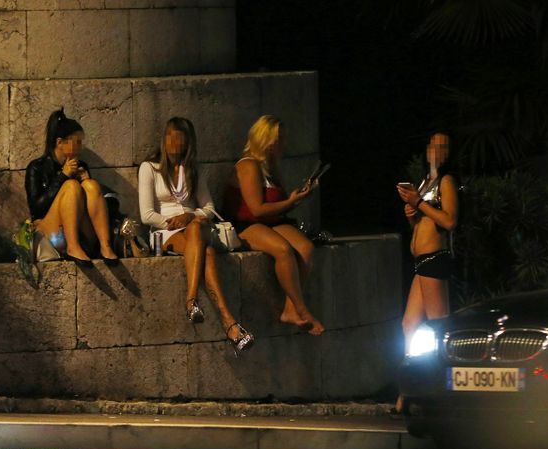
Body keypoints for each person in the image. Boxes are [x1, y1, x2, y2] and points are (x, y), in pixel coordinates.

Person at [138, 117, 254, 354]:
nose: (174, 142)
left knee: (195, 232)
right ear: (164, 138)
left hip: (194, 228)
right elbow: (147, 214)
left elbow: (210, 208)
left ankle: (191, 301)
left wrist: (190, 216)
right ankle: (228, 322)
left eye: (180, 137)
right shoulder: (149, 168)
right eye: (170, 135)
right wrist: (173, 222)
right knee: (207, 252)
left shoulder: (192, 170)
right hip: (164, 231)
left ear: (188, 142)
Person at [223, 115, 324, 335]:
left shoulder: (270, 167)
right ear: (268, 140)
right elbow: (256, 209)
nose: (283, 145)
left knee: (306, 248)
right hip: (245, 223)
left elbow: (279, 204)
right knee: (283, 250)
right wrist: (289, 201)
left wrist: (295, 199)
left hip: (271, 221)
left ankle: (289, 308)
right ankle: (302, 308)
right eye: (280, 139)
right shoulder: (249, 165)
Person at [24, 109, 119, 266]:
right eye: (77, 142)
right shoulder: (37, 167)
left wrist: (86, 181)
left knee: (91, 185)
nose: (80, 148)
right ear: (60, 142)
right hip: (53, 235)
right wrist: (63, 176)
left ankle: (105, 246)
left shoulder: (82, 166)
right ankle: (72, 247)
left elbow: (95, 207)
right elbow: (36, 209)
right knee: (71, 186)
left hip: (83, 232)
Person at [396, 131, 460, 348]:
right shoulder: (424, 183)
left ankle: (447, 374)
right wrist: (412, 216)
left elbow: (450, 221)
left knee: (439, 325)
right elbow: (422, 226)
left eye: (443, 147)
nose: (437, 151)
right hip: (421, 261)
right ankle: (413, 373)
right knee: (409, 324)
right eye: (433, 145)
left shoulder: (446, 181)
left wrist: (419, 204)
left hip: (435, 259)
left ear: (449, 154)